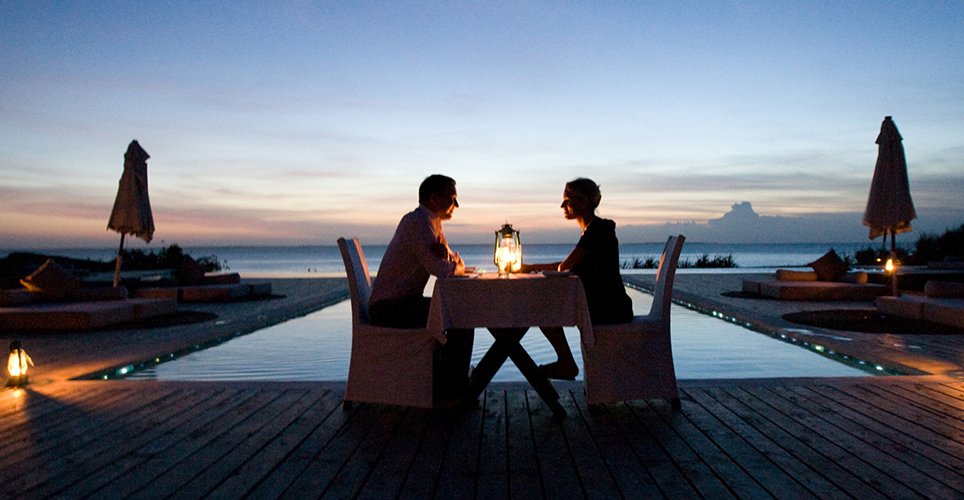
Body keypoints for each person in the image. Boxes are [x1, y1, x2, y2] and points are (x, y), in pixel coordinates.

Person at [369, 174, 473, 401]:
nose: (456, 205)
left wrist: (450, 261)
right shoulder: (417, 222)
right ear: (434, 198)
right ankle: (451, 394)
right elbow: (444, 270)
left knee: (457, 317)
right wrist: (453, 264)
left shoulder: (433, 224)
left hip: (403, 303)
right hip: (388, 308)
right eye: (452, 198)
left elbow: (448, 263)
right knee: (460, 319)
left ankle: (448, 385)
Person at [518, 177, 633, 380]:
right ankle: (566, 362)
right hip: (608, 305)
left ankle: (566, 363)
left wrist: (532, 269)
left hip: (609, 309)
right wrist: (529, 268)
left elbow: (566, 266)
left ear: (584, 201)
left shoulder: (597, 231)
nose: (563, 205)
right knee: (545, 309)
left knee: (544, 310)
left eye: (568, 199)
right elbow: (569, 264)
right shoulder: (593, 230)